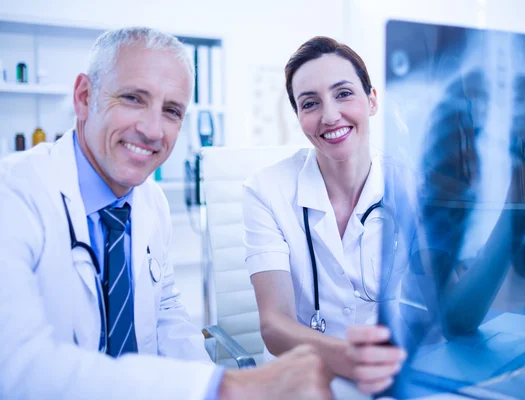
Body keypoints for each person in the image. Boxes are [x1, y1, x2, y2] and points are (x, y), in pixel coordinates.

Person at [0, 27, 345, 400]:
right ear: (84, 97)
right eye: (133, 98)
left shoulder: (151, 202)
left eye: (171, 111)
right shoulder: (14, 196)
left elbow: (167, 317)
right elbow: (16, 367)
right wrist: (226, 386)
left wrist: (207, 385)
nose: (152, 129)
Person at [242, 35, 525, 394]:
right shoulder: (267, 189)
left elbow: (459, 318)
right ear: (299, 116)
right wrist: (350, 357)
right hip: (303, 382)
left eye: (344, 93)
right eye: (310, 103)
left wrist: (524, 196)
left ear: (372, 100)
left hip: (392, 378)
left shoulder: (411, 185)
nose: (330, 115)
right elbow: (274, 325)